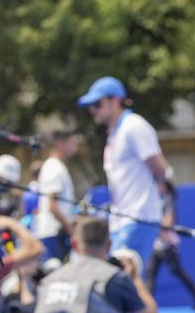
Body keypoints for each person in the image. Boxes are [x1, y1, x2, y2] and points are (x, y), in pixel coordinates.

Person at [78, 77, 168, 266]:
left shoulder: (133, 126)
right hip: (123, 219)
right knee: (123, 281)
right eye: (90, 105)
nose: (92, 110)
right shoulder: (115, 133)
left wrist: (160, 209)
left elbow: (161, 169)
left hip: (138, 217)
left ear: (116, 100)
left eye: (97, 103)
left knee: (125, 280)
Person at [35, 216, 157, 313]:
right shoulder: (114, 279)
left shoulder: (48, 281)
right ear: (109, 245)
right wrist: (135, 278)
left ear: (74, 244)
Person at [145, 178, 195, 309]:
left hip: (167, 244)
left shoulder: (168, 199)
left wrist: (159, 229)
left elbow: (169, 220)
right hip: (157, 244)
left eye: (158, 185)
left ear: (164, 186)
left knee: (178, 272)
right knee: (150, 272)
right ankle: (146, 304)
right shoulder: (159, 200)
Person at [34, 131, 80, 262]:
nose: (75, 147)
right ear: (60, 143)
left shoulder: (57, 166)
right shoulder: (54, 167)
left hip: (56, 233)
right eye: (72, 143)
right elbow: (52, 206)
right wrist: (71, 230)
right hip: (53, 234)